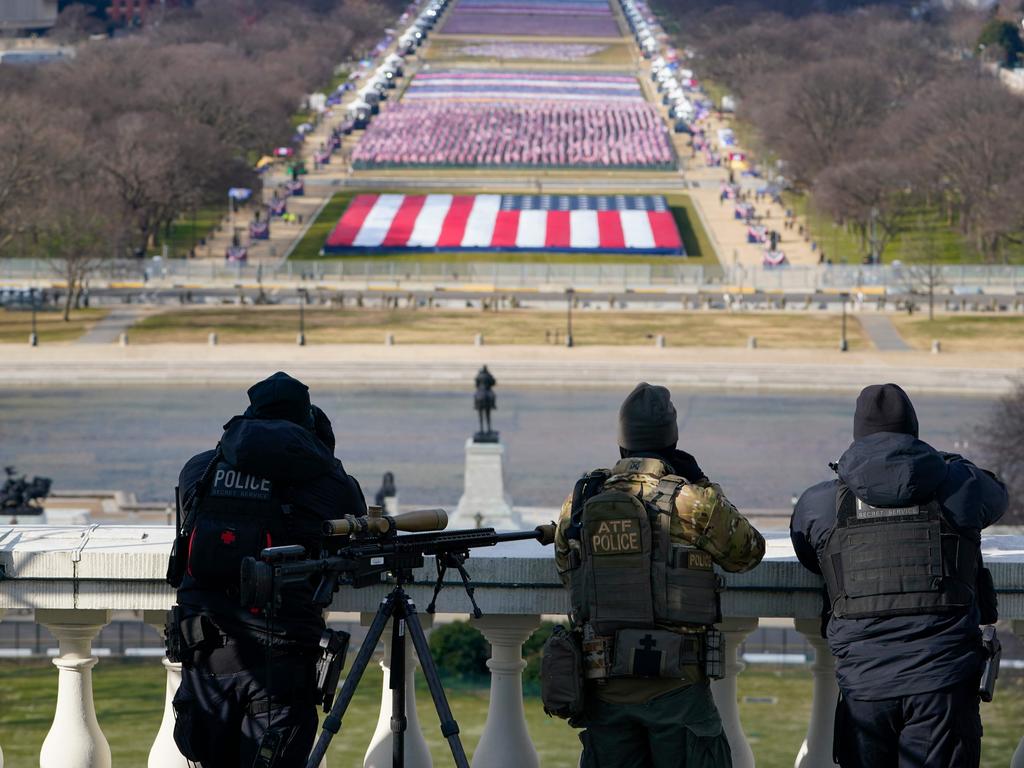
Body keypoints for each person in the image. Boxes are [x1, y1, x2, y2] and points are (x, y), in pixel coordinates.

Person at [790, 383, 1007, 768]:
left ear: (858, 436)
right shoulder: (958, 485)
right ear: (913, 432)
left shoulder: (821, 503)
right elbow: (997, 495)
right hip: (943, 683)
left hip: (864, 685)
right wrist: (946, 462)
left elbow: (810, 556)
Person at [554, 382, 766, 768]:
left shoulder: (582, 500)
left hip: (605, 683)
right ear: (672, 444)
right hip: (677, 685)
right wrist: (702, 483)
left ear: (622, 444)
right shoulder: (691, 500)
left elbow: (568, 572)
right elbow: (748, 552)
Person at [167, 372, 366, 767]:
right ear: (307, 423)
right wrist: (322, 447)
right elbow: (355, 526)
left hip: (205, 658)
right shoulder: (331, 482)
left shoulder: (200, 470)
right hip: (282, 662)